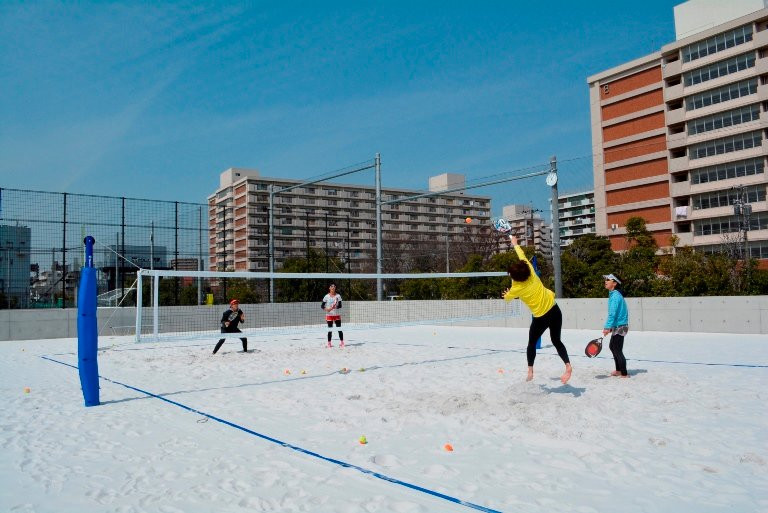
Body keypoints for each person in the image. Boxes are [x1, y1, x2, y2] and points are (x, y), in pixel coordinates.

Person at [502, 235, 572, 384]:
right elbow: (521, 255)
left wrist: (506, 294)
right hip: (554, 310)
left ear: (514, 277)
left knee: (531, 343)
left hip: (541, 318)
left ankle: (530, 370)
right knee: (556, 340)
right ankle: (568, 365)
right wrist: (515, 243)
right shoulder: (531, 271)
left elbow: (507, 298)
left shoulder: (516, 288)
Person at [602, 274, 629, 378]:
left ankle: (624, 373)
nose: (606, 281)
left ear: (614, 283)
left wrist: (607, 327)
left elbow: (612, 314)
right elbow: (614, 314)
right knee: (612, 347)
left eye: (608, 279)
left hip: (621, 326)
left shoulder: (616, 296)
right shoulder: (613, 294)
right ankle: (618, 370)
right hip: (618, 325)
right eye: (606, 279)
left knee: (617, 349)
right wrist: (610, 327)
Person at [321, 283, 344, 348]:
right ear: (329, 288)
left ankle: (342, 342)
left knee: (339, 329)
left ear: (335, 288)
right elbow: (322, 306)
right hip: (329, 315)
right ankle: (329, 343)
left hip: (336, 314)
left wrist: (335, 307)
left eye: (334, 286)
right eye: (331, 286)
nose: (333, 287)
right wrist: (327, 309)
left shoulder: (338, 296)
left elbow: (340, 305)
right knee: (330, 330)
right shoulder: (326, 296)